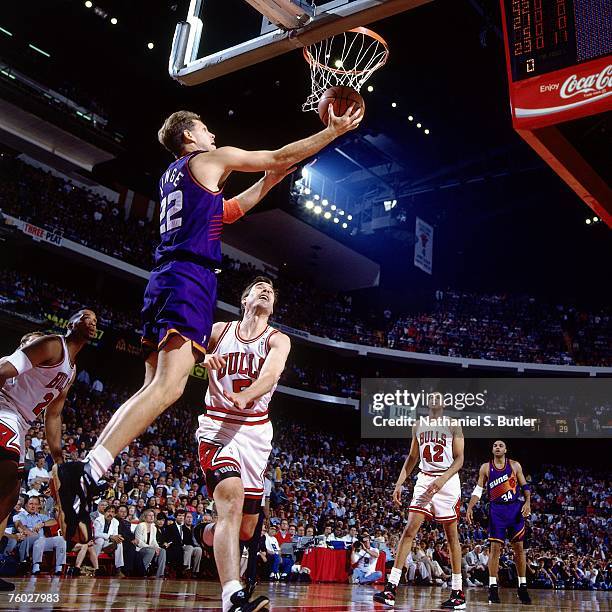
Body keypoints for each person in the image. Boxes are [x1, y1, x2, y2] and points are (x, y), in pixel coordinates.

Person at [52, 106, 362, 594]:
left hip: (163, 279)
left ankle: (89, 467)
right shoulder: (208, 158)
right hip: (190, 280)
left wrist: (275, 177)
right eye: (206, 128)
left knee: (153, 386)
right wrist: (332, 131)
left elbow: (231, 211)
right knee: (171, 387)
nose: (214, 132)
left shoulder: (175, 177)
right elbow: (277, 153)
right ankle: (89, 470)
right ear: (191, 135)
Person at [196, 276, 291, 611]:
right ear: (245, 298)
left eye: (271, 291)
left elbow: (270, 376)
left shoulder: (278, 340)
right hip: (217, 429)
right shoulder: (221, 331)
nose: (265, 290)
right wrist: (200, 355)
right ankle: (232, 597)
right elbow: (185, 344)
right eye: (258, 288)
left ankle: (206, 535)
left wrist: (246, 395)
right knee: (231, 499)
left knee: (247, 530)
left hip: (254, 434)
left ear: (273, 305)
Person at [0, 315, 96, 587]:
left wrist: (59, 459)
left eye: (95, 319)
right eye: (85, 316)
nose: (92, 321)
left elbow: (53, 415)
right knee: (6, 476)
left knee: (8, 498)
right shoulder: (54, 345)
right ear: (71, 321)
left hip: (21, 422)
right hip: (4, 406)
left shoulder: (71, 370)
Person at [374, 395, 465, 609]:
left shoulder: (453, 424)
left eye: (438, 397)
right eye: (431, 397)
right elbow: (412, 457)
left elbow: (460, 458)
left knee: (451, 536)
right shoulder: (418, 424)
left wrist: (443, 479)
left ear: (444, 403)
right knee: (409, 530)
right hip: (424, 478)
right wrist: (399, 483)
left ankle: (458, 592)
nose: (434, 399)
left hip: (447, 480)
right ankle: (391, 588)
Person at [466, 440, 532, 605]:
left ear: (506, 449)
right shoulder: (486, 467)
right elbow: (478, 490)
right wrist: (470, 506)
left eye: (501, 445)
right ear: (492, 449)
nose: (497, 447)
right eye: (495, 445)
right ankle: (493, 588)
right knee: (495, 550)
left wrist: (528, 502)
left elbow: (525, 486)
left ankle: (522, 586)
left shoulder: (515, 465)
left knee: (519, 549)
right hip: (497, 510)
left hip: (515, 509)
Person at [134, 509, 166, 578]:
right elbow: (138, 541)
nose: (152, 517)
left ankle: (160, 573)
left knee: (162, 551)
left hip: (150, 548)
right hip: (140, 548)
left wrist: (157, 548)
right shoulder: (141, 525)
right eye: (149, 515)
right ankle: (143, 571)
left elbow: (154, 541)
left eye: (153, 515)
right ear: (145, 517)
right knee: (151, 550)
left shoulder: (154, 527)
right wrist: (152, 548)